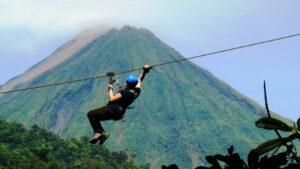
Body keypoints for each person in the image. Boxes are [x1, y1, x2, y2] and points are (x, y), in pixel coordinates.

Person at [87, 64, 151, 145]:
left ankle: (101, 133)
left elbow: (111, 98)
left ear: (127, 83)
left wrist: (110, 87)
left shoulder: (125, 92)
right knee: (95, 117)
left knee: (91, 114)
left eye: (126, 82)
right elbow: (140, 80)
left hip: (113, 109)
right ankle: (101, 134)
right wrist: (144, 72)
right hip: (119, 114)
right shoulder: (136, 92)